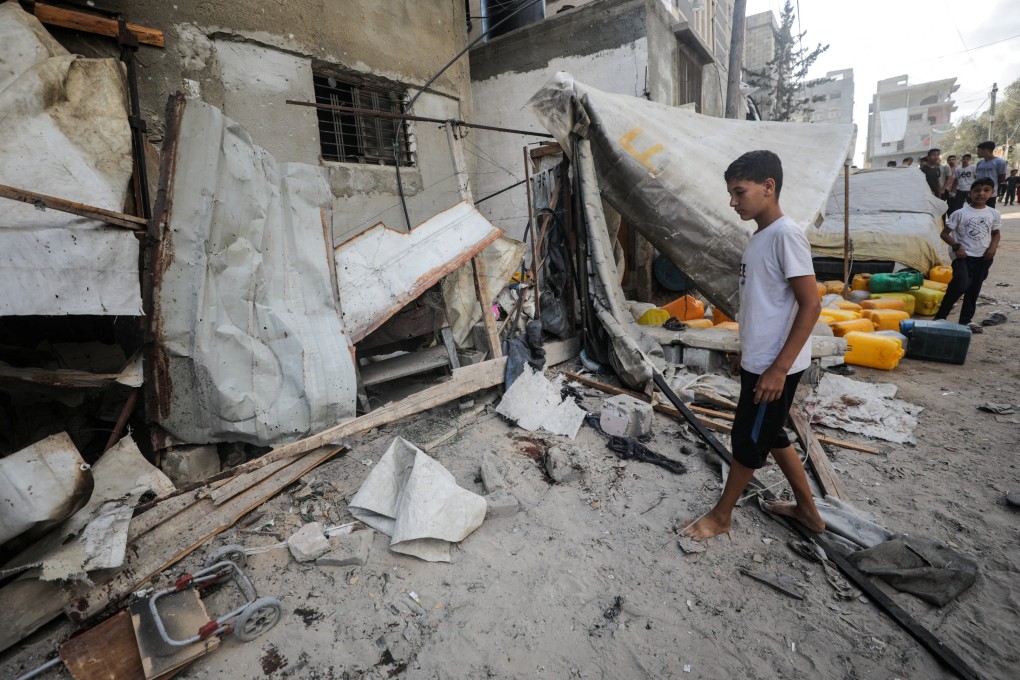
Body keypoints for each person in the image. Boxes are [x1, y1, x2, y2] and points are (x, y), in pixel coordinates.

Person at [682, 150, 824, 541]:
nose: (732, 202)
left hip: (773, 367)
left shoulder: (786, 235)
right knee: (771, 433)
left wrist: (777, 368)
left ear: (768, 187)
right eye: (730, 193)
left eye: (739, 192)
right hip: (759, 361)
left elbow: (811, 305)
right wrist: (747, 352)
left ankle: (722, 514)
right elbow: (765, 304)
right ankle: (809, 513)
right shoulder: (760, 237)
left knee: (747, 440)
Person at [933, 177, 1001, 331]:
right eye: (977, 190)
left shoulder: (994, 213)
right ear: (970, 193)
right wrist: (957, 246)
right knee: (960, 285)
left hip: (984, 257)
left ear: (992, 193)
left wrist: (993, 247)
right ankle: (940, 317)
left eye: (986, 190)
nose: (981, 194)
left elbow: (996, 233)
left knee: (974, 288)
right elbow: (944, 234)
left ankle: (966, 320)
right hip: (963, 257)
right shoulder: (960, 213)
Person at [975, 141, 1007, 208]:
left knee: (989, 211)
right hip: (978, 192)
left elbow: (1002, 178)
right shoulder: (980, 163)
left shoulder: (1000, 162)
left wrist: (991, 186)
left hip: (990, 194)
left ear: (985, 150)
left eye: (979, 150)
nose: (977, 152)